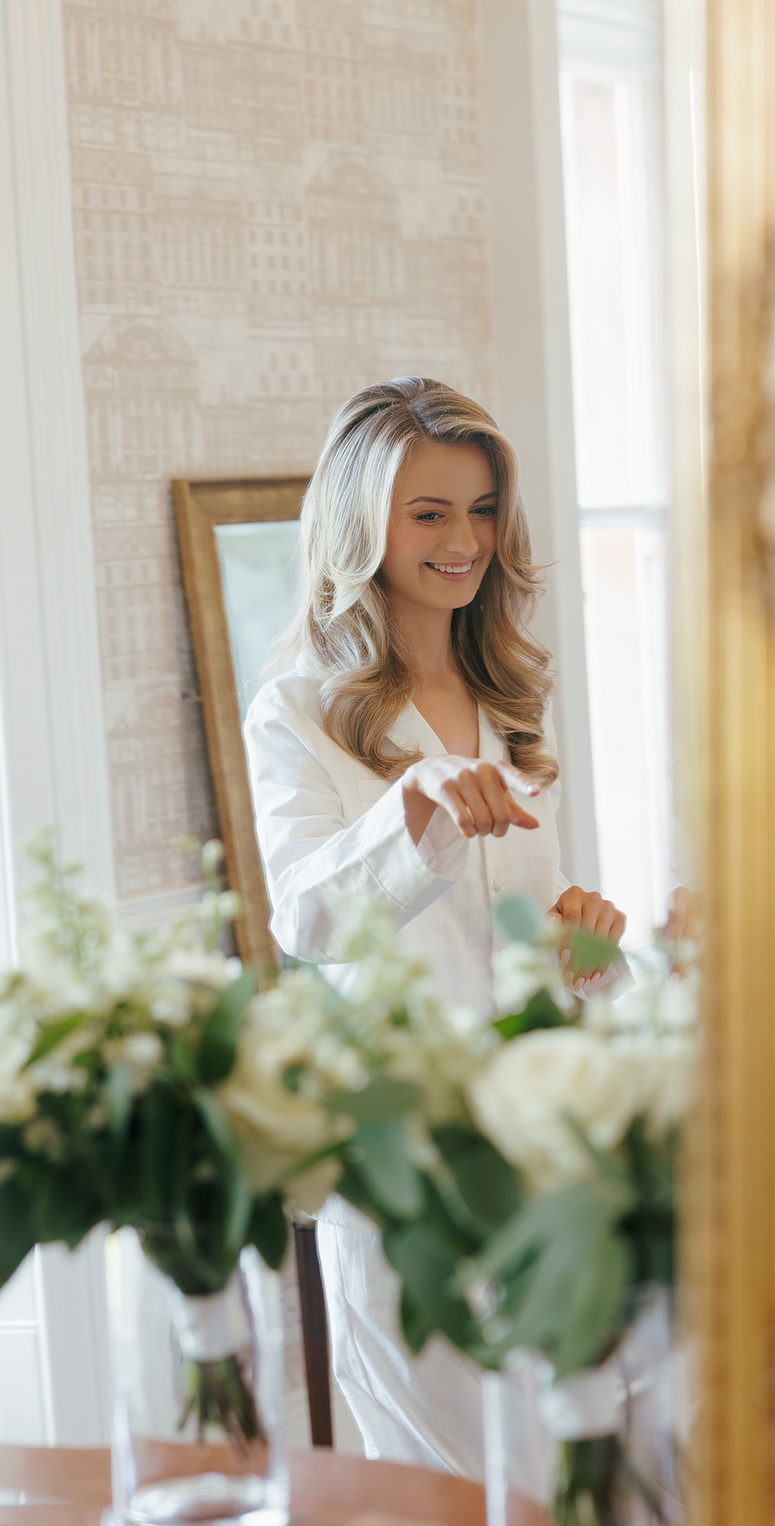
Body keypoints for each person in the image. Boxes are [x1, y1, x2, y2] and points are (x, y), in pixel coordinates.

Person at [244, 377, 627, 1476]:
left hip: (545, 1155)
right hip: (405, 1169)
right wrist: (406, 813)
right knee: (448, 1490)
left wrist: (590, 942)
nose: (464, 541)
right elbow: (306, 917)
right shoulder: (300, 710)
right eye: (429, 513)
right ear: (363, 522)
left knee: (579, 1481)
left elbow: (531, 926)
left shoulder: (504, 689)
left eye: (480, 508)